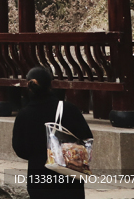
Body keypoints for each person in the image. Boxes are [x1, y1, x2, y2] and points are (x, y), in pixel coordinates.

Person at [12, 66, 91, 199]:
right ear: (51, 85)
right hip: (69, 175)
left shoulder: (23, 115)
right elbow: (87, 137)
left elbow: (20, 149)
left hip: (39, 176)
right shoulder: (69, 109)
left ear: (29, 87)